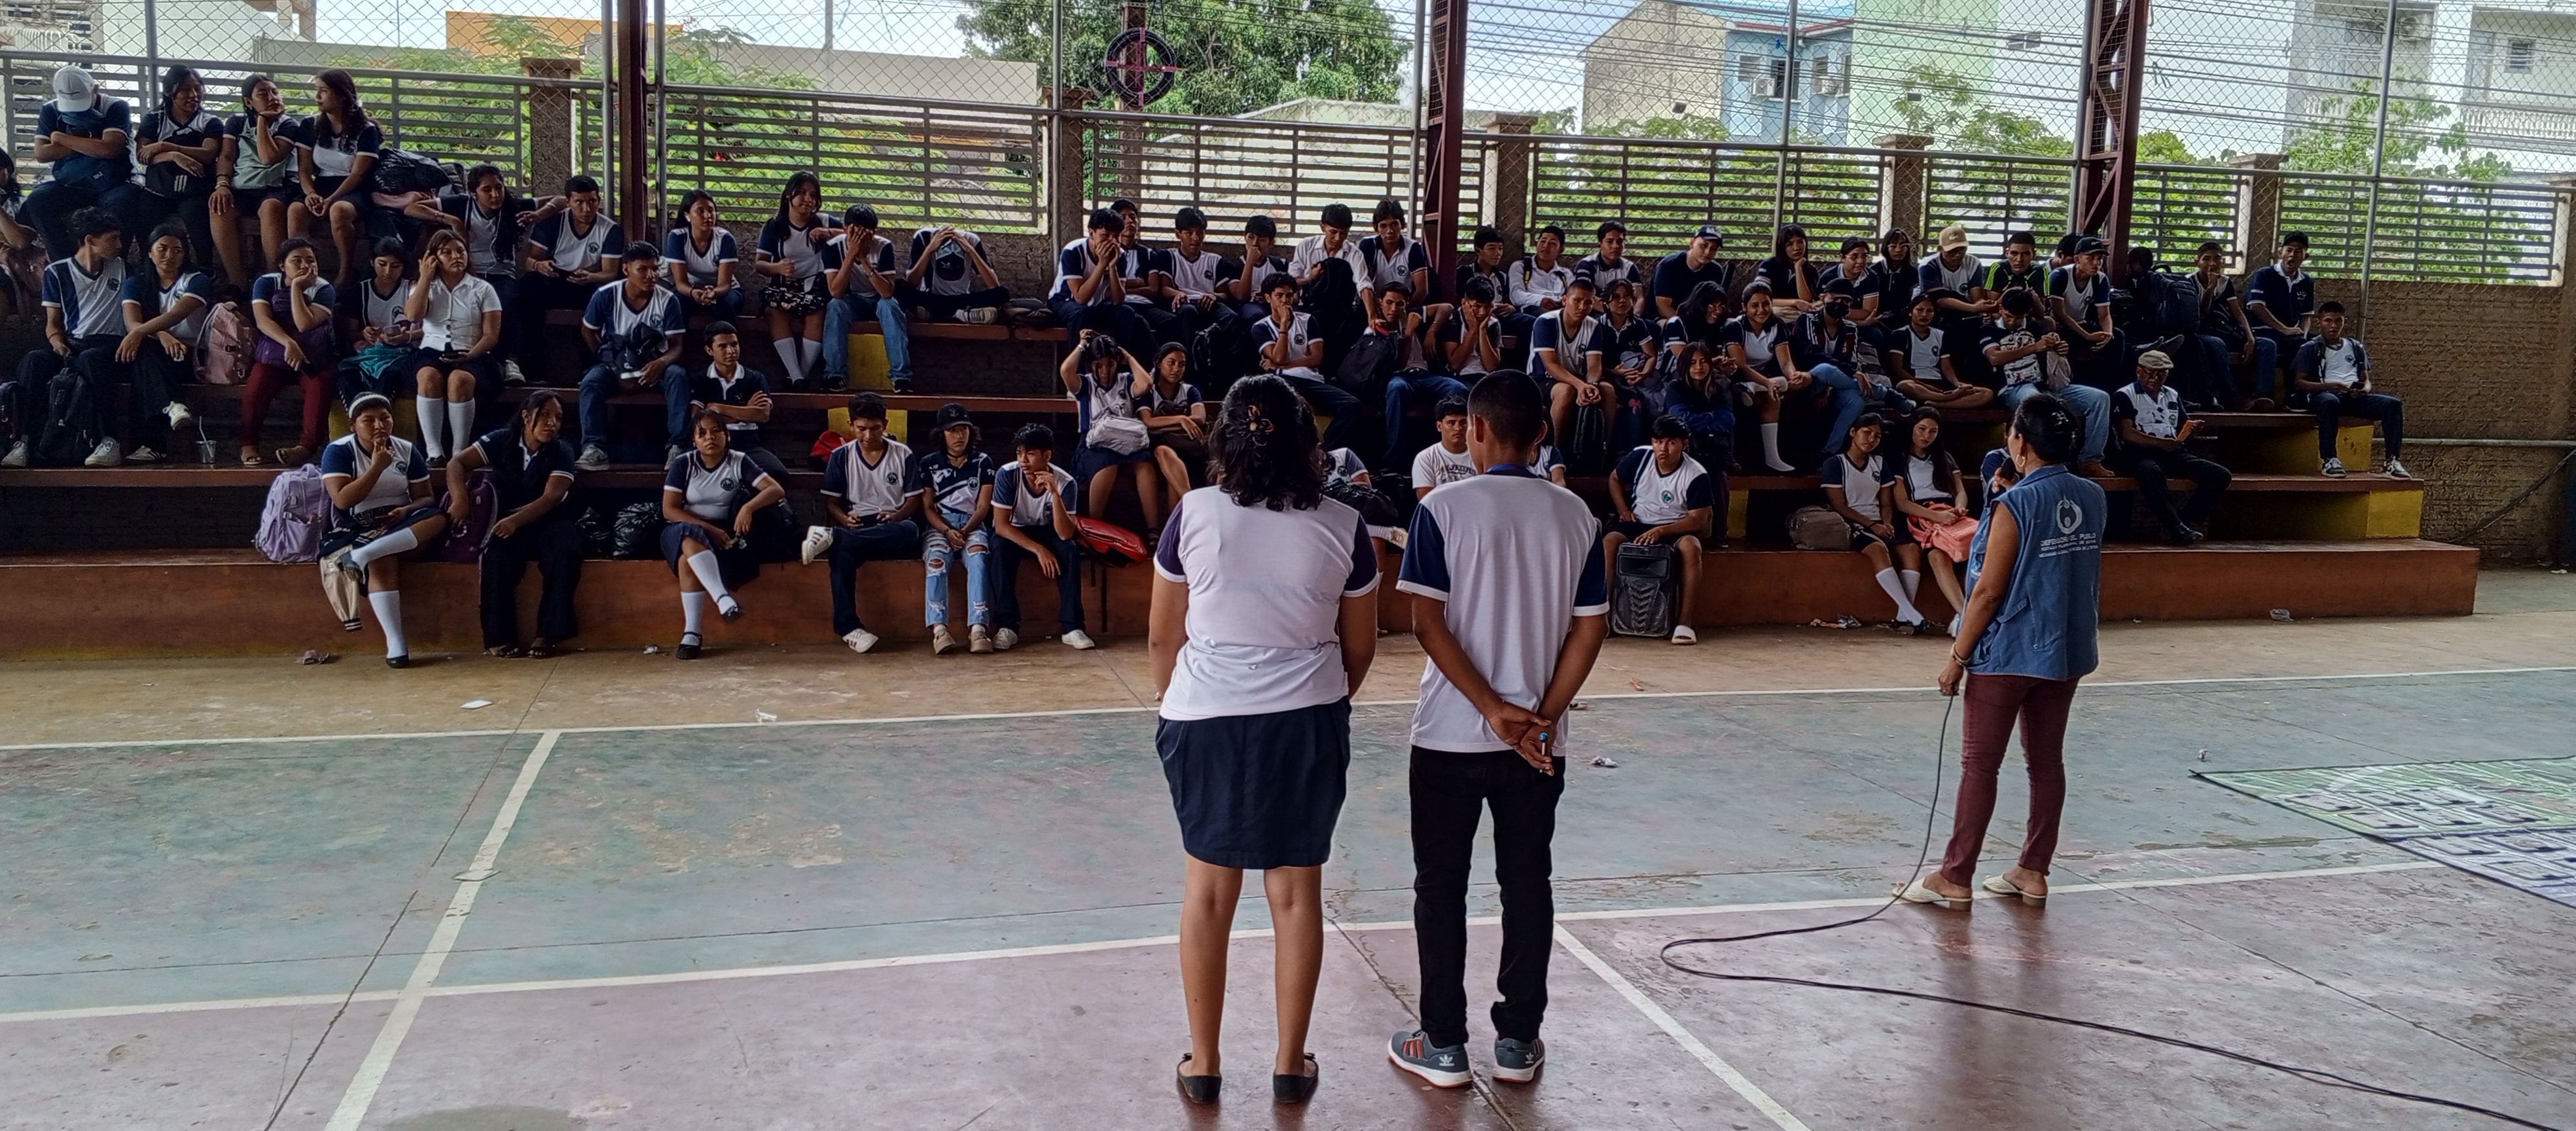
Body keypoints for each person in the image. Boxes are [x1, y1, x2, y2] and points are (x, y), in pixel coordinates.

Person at [1150, 373, 1380, 1107]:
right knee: (1295, 893)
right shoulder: (1345, 524)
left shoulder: (1192, 512)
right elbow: (1361, 648)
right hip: (1306, 718)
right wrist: (1319, 700)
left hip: (1203, 718)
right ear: (1307, 443)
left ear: (1225, 440)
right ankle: (1289, 1064)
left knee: (1208, 891)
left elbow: (1162, 637)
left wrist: (1178, 705)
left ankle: (1205, 1064)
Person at [1387, 371, 1609, 1090]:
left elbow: (1427, 623)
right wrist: (1540, 718)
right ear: (1542, 434)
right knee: (1527, 883)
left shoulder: (1442, 508)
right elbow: (1590, 629)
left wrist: (1490, 708)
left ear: (1476, 430)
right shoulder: (1576, 515)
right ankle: (1518, 1040)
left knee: (1440, 888)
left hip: (1448, 737)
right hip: (1537, 747)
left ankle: (1443, 1044)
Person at [1905, 392, 2105, 907]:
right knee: (2047, 762)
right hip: (2066, 649)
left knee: (1980, 765)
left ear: (2021, 443)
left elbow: (1989, 591)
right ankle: (2033, 870)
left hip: (2010, 650)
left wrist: (1957, 657)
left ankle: (1956, 876)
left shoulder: (2013, 505)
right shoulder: (2093, 495)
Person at [448, 389, 582, 658]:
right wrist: (460, 498)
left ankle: (548, 634)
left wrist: (514, 521)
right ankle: (499, 638)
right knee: (497, 558)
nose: (552, 423)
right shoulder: (502, 439)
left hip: (550, 519)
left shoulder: (562, 451)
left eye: (557, 417)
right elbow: (457, 463)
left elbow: (552, 498)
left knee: (566, 551)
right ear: (526, 416)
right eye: (544, 415)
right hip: (509, 519)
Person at [321, 393, 448, 667]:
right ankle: (396, 643)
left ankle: (361, 556)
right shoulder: (339, 451)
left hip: (401, 520)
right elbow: (342, 500)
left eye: (385, 418)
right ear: (353, 425)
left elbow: (426, 497)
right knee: (383, 560)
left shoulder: (406, 449)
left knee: (437, 519)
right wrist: (377, 467)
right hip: (359, 524)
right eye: (369, 420)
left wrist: (406, 510)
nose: (379, 425)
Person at [6, 208, 129, 469]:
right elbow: (53, 323)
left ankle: (109, 440)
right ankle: (23, 441)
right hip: (74, 342)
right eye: (113, 238)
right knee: (34, 360)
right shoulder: (58, 272)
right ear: (90, 240)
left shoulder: (121, 269)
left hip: (109, 345)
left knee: (91, 360)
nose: (119, 245)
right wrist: (57, 342)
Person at [800, 392, 921, 655]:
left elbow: (913, 500)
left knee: (910, 530)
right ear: (851, 425)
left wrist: (897, 515)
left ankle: (833, 536)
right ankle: (849, 628)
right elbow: (832, 503)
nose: (868, 436)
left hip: (892, 525)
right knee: (841, 556)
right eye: (862, 428)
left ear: (885, 424)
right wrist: (844, 519)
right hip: (858, 525)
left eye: (875, 428)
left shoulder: (902, 453)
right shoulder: (841, 456)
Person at [660, 410, 784, 659]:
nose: (710, 438)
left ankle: (692, 633)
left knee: (686, 561)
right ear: (694, 440)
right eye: (702, 433)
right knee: (689, 534)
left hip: (725, 532)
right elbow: (670, 510)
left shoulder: (739, 461)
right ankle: (722, 599)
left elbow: (775, 489)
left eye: (716, 431)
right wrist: (708, 529)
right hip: (683, 527)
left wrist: (748, 508)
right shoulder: (684, 463)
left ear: (727, 436)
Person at [575, 240, 686, 470]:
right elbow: (588, 331)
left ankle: (678, 447)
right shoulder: (606, 296)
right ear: (626, 270)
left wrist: (660, 363)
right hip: (616, 364)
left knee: (678, 376)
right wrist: (611, 364)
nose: (651, 275)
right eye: (643, 269)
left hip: (653, 367)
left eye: (655, 268)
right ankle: (594, 448)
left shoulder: (668, 300)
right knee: (591, 382)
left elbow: (676, 346)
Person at [1982, 288, 2115, 478]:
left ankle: (2090, 460)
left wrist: (2059, 348)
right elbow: (1994, 358)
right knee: (2037, 402)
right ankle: (2041, 461)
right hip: (2014, 387)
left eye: (2018, 318)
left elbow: (2051, 340)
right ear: (2001, 309)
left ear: (2026, 314)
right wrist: (2035, 347)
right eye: (2009, 316)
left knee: (2100, 398)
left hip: (2048, 384)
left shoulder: (2036, 327)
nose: (2012, 322)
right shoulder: (1989, 330)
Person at [1603, 416, 1713, 645]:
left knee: (1692, 548)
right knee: (1609, 543)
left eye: (1671, 442)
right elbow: (1614, 479)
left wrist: (1662, 530)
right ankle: (1605, 615)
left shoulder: (1696, 474)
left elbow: (1698, 521)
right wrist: (1623, 510)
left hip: (1675, 527)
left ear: (1684, 444)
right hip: (1638, 522)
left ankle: (1684, 623)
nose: (1663, 448)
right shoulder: (1640, 457)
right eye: (1658, 442)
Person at [111, 222, 214, 465]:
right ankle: (173, 405)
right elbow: (131, 322)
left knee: (143, 362)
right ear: (149, 252)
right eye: (163, 248)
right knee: (145, 354)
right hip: (156, 354)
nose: (170, 255)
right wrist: (163, 335)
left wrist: (142, 332)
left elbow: (178, 314)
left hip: (191, 356)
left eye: (177, 250)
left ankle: (153, 445)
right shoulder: (136, 283)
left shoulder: (197, 280)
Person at [990, 424, 1095, 651]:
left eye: (1030, 454)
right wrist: (1039, 550)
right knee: (999, 548)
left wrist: (1055, 494)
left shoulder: (1066, 482)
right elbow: (1001, 526)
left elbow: (1065, 533)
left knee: (1069, 548)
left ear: (1046, 456)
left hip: (1048, 530)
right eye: (1020, 453)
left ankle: (1073, 628)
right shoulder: (1007, 474)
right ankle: (1007, 626)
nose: (1023, 460)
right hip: (1015, 529)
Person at [2107, 350, 2230, 544]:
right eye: (2150, 372)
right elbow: (2127, 434)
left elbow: (2180, 427)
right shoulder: (2125, 395)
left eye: (2162, 373)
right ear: (2139, 371)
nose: (2155, 378)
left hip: (2171, 451)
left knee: (2220, 475)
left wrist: (2191, 430)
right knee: (2152, 472)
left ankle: (2185, 519)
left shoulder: (2172, 394)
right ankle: (2176, 528)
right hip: (2137, 452)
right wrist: (2163, 444)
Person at [404, 230, 506, 465]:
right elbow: (413, 315)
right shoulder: (425, 286)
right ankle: (434, 452)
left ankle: (460, 451)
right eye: (447, 252)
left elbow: (491, 335)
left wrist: (470, 355)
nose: (456, 256)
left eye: (460, 251)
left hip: (473, 352)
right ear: (434, 258)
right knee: (428, 377)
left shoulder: (483, 289)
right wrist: (425, 278)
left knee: (460, 380)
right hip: (432, 351)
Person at [1823, 412, 1931, 632]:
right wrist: (1872, 526)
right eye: (1867, 432)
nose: (1871, 439)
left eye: (1877, 436)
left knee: (1912, 549)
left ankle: (1903, 616)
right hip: (1852, 523)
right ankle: (1912, 614)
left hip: (1879, 521)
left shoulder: (1880, 463)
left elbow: (1886, 503)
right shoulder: (1835, 464)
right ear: (1853, 432)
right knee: (1877, 549)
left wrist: (1886, 523)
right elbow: (1841, 506)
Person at [22, 65, 141, 262]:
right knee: (38, 199)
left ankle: (114, 266)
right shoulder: (51, 110)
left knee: (122, 204)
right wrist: (90, 143)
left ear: (95, 89)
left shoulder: (114, 106)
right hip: (72, 183)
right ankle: (64, 264)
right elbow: (42, 153)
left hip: (114, 182)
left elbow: (109, 149)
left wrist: (61, 138)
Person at [1062, 328, 1172, 533]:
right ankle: (1094, 528)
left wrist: (1128, 357)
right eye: (1098, 365)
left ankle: (1153, 530)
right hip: (1094, 445)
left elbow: (1146, 384)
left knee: (1145, 466)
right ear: (1091, 364)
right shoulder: (1086, 383)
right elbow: (1066, 371)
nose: (1105, 371)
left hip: (1125, 441)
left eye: (1110, 364)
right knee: (1108, 464)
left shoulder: (1126, 380)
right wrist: (1082, 345)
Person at [241, 237, 336, 467]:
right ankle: (248, 443)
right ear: (282, 265)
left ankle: (305, 447)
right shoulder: (266, 283)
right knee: (258, 380)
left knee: (320, 382)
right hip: (277, 354)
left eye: (311, 261)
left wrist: (296, 287)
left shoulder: (324, 289)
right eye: (297, 260)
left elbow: (305, 324)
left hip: (312, 356)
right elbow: (263, 321)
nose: (305, 266)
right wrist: (288, 343)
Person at [913, 402, 999, 655]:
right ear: (942, 433)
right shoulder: (929, 463)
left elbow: (983, 506)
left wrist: (965, 530)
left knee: (979, 559)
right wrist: (947, 531)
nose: (959, 435)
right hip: (940, 526)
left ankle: (978, 629)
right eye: (952, 430)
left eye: (964, 429)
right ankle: (939, 630)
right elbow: (927, 507)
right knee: (936, 561)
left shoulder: (982, 462)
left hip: (973, 524)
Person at [518, 175, 624, 376]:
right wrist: (540, 266)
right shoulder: (553, 223)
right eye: (579, 202)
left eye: (592, 201)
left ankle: (599, 365)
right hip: (556, 280)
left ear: (599, 200)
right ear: (568, 202)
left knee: (606, 297)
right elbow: (530, 261)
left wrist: (591, 277)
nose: (586, 209)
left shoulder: (610, 229)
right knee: (529, 286)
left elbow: (610, 273)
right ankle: (530, 365)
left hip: (588, 283)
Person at [132, 66, 227, 286]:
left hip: (193, 189)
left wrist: (165, 146)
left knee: (196, 214)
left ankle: (205, 270)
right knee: (144, 212)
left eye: (197, 88)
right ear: (170, 92)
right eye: (185, 89)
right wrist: (175, 157)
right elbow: (143, 155)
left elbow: (208, 153)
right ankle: (148, 268)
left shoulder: (209, 122)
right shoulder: (155, 120)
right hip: (159, 187)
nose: (193, 95)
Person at [2292, 302, 2409, 479]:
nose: (2333, 326)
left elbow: (2365, 380)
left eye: (2338, 321)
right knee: (2329, 402)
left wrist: (2364, 390)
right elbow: (2300, 382)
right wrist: (2329, 386)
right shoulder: (2311, 348)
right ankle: (2330, 459)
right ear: (2319, 322)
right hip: (2324, 394)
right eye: (2328, 321)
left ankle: (2392, 461)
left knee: (2392, 404)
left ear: (2344, 322)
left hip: (2352, 396)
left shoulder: (2355, 347)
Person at [285, 70, 380, 289]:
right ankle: (299, 274)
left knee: (339, 211)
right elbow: (304, 168)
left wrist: (331, 199)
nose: (318, 97)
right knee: (296, 210)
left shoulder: (367, 130)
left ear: (343, 95)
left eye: (324, 91)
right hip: (320, 185)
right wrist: (310, 193)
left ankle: (345, 273)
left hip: (352, 188)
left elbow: (358, 174)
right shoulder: (310, 125)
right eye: (317, 91)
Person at [1248, 272, 1362, 451]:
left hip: (1310, 379)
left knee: (1352, 404)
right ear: (1268, 298)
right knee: (1278, 401)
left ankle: (1323, 450)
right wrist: (1284, 325)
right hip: (1283, 380)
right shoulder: (1260, 327)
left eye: (1289, 295)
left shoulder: (1308, 320)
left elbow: (1317, 358)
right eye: (1279, 296)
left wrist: (1282, 366)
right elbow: (1279, 356)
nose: (1285, 300)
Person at [1891, 406, 1977, 628]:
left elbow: (1960, 491)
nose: (1926, 436)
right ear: (1912, 427)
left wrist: (1959, 509)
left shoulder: (1945, 458)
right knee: (1938, 556)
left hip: (1950, 512)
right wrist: (1937, 516)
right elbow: (1902, 503)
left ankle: (1975, 613)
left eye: (1933, 431)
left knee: (1976, 545)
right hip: (1922, 515)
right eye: (1921, 429)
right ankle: (1966, 617)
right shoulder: (1900, 458)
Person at [1726, 283, 1824, 473]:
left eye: (1766, 304)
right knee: (1773, 396)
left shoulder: (1777, 325)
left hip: (1765, 380)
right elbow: (1741, 366)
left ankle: (1756, 390)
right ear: (1745, 307)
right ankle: (1771, 457)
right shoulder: (1735, 327)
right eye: (1755, 306)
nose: (1761, 310)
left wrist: (1793, 375)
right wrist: (1768, 383)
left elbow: (1785, 362)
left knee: (1806, 380)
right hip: (1739, 376)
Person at [755, 171, 837, 389]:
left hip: (816, 288)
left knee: (818, 313)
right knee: (773, 310)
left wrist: (828, 232)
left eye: (813, 195)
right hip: (784, 288)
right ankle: (796, 375)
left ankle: (801, 376)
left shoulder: (825, 221)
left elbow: (854, 234)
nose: (807, 199)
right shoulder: (774, 227)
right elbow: (760, 264)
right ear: (788, 195)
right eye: (801, 193)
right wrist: (777, 267)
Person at [214, 75, 296, 285]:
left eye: (275, 92)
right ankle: (238, 284)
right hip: (241, 188)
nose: (272, 97)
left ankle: (272, 282)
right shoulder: (236, 122)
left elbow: (269, 157)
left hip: (272, 188)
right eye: (263, 94)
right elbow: (227, 156)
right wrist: (222, 184)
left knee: (271, 208)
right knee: (219, 206)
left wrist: (262, 121)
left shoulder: (288, 125)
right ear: (249, 102)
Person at [1789, 278, 1884, 458]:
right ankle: (1884, 393)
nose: (1840, 304)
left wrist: (1830, 389)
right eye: (1835, 299)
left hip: (1834, 386)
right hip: (1806, 381)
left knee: (1857, 401)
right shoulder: (1806, 320)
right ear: (1823, 297)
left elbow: (1851, 362)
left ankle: (1829, 451)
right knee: (1829, 371)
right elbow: (1812, 356)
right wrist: (1851, 376)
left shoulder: (1851, 327)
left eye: (1846, 301)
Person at [817, 204, 906, 392]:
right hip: (852, 300)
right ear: (845, 229)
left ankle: (901, 376)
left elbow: (887, 292)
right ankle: (835, 374)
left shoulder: (883, 246)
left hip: (878, 300)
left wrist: (864, 259)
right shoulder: (832, 247)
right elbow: (836, 291)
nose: (861, 238)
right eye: (855, 232)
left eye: (866, 233)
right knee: (835, 306)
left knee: (890, 306)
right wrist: (851, 255)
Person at [1380, 282, 1469, 470]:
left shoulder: (1411, 314)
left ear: (1406, 304)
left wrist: (1432, 330)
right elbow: (1399, 365)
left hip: (1425, 375)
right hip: (1400, 377)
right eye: (1389, 302)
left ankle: (1451, 452)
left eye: (1400, 304)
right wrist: (1408, 334)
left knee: (1457, 388)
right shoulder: (1378, 326)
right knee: (1396, 389)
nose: (1394, 308)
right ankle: (1394, 459)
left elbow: (1447, 307)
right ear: (1381, 302)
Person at [685, 321, 785, 484]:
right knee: (691, 473)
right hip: (713, 443)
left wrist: (717, 408)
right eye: (723, 346)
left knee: (777, 472)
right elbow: (698, 421)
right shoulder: (700, 380)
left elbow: (762, 414)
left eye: (734, 345)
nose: (731, 351)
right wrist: (746, 411)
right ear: (709, 350)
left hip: (748, 443)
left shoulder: (754, 378)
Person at [1052, 207, 1153, 361]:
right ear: (1092, 233)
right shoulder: (1073, 251)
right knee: (1081, 313)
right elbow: (1081, 298)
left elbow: (1118, 300)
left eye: (1116, 236)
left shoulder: (1120, 255)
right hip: (1065, 302)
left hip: (1097, 305)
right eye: (1105, 235)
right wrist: (1101, 265)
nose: (1111, 241)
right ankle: (1078, 371)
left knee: (1127, 313)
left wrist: (1112, 267)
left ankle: (1120, 365)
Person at [1531, 276, 1613, 458]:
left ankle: (1605, 449)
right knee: (1566, 391)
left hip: (1577, 378)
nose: (1583, 307)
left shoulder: (1594, 326)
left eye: (1588, 302)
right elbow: (1551, 365)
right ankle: (1555, 451)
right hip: (1542, 379)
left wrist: (1591, 385)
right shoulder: (1546, 322)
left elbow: (1594, 365)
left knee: (1607, 390)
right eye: (1577, 301)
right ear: (1565, 300)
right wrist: (1580, 385)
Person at [2189, 241, 2271, 410]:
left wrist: (2250, 338)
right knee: (2217, 344)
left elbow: (2237, 313)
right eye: (2207, 259)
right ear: (2197, 262)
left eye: (2217, 259)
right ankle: (2231, 395)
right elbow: (2202, 313)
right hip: (2202, 332)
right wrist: (2210, 288)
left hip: (2224, 329)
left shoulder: (2225, 282)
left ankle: (2261, 395)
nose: (2212, 264)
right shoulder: (2189, 282)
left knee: (2267, 344)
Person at [1887, 291, 1990, 408]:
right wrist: (1925, 386)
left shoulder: (1940, 335)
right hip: (1917, 383)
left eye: (1930, 311)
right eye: (1920, 310)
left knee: (1987, 393)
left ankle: (1941, 404)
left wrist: (1957, 384)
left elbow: (1946, 366)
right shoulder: (1901, 334)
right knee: (1904, 386)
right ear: (1911, 312)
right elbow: (1898, 368)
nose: (1925, 315)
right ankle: (1945, 398)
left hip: (1939, 382)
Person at [2245, 232, 2315, 402]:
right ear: (2280, 252)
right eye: (2289, 250)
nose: (2293, 255)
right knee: (2269, 345)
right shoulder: (2264, 274)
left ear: (2306, 256)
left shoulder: (2306, 281)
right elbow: (2256, 306)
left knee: (2312, 344)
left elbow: (2306, 316)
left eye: (2298, 251)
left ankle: (2300, 396)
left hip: (2290, 334)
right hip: (2262, 331)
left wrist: (2302, 335)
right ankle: (2263, 395)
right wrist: (2284, 329)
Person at [2050, 234, 2124, 388]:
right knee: (2064, 337)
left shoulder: (2101, 279)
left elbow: (2104, 314)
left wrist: (2108, 334)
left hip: (2081, 324)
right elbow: (2060, 314)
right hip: (2061, 326)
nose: (2096, 263)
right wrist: (2087, 336)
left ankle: (2110, 387)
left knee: (2118, 337)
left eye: (2100, 259)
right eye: (2091, 258)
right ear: (2077, 259)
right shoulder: (2060, 276)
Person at [903, 223, 1011, 323]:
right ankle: (961, 315)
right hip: (933, 297)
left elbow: (994, 285)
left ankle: (938, 314)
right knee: (900, 288)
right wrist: (929, 250)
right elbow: (912, 282)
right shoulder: (923, 237)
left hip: (962, 299)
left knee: (1003, 293)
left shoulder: (971, 239)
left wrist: (971, 251)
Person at [1140, 342, 1208, 501]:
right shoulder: (1149, 392)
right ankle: (1192, 503)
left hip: (1188, 449)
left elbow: (1199, 418)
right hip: (1156, 451)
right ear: (1159, 363)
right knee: (1164, 452)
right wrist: (1181, 419)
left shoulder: (1190, 391)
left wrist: (1162, 427)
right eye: (1171, 363)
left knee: (1175, 468)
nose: (1176, 369)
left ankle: (1183, 511)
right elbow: (1148, 421)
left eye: (1182, 364)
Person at [662, 188, 742, 323]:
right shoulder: (677, 237)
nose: (707, 216)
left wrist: (713, 292)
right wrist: (693, 292)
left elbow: (724, 284)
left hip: (724, 292)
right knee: (677, 304)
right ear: (687, 215)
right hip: (690, 289)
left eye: (711, 211)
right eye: (700, 211)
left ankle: (728, 337)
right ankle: (678, 338)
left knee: (722, 305)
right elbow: (681, 283)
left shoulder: (725, 239)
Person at [1358, 198, 1431, 317]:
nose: (1390, 231)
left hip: (1403, 309)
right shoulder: (1369, 246)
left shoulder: (1413, 248)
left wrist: (1400, 312)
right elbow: (1365, 284)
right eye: (1383, 226)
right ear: (1376, 228)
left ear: (1402, 224)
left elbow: (1422, 291)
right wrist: (1377, 312)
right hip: (1374, 308)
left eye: (1394, 224)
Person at [1505, 224, 1573, 343]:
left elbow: (1573, 296)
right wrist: (1541, 300)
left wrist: (1562, 302)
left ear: (1561, 249)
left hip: (1560, 311)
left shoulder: (1565, 275)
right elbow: (1516, 295)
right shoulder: (1521, 267)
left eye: (1552, 243)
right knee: (1548, 320)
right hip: (1532, 310)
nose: (1546, 246)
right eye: (1543, 241)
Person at [1220, 213, 1289, 326]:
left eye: (1262, 240)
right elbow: (1242, 297)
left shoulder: (1279, 265)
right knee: (1256, 315)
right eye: (1251, 237)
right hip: (1248, 306)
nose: (1255, 244)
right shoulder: (1234, 265)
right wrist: (1250, 262)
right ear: (1245, 237)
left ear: (1271, 243)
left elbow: (1291, 293)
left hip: (1276, 305)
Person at [1649, 224, 1729, 319]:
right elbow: (1663, 307)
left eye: (1713, 249)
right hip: (1664, 318)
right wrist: (1685, 324)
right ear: (1692, 243)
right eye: (1704, 246)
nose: (1707, 252)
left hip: (1698, 319)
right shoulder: (1669, 265)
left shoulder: (1715, 270)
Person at [1410, 395, 1477, 499]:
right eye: (1452, 423)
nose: (1458, 428)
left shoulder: (1479, 455)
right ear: (1439, 426)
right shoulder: (1425, 458)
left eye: (1463, 422)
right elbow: (1426, 501)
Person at [1456, 226, 1520, 327]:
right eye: (1491, 248)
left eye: (1500, 248)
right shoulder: (1464, 273)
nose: (1498, 253)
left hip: (1499, 317)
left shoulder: (1502, 277)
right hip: (1475, 317)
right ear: (1478, 250)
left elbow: (1510, 301)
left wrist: (1511, 308)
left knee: (1528, 321)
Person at [1756, 224, 1820, 314]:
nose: (1797, 248)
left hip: (1799, 313)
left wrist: (1798, 269)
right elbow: (1759, 297)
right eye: (1790, 244)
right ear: (1782, 247)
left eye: (1800, 242)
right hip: (1776, 309)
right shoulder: (1769, 265)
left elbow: (1807, 300)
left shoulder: (1811, 270)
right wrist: (1794, 303)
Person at [1573, 220, 1640, 295]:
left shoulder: (1629, 267)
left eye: (1620, 242)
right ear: (1600, 244)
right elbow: (1584, 294)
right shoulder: (1587, 265)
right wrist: (1610, 303)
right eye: (1610, 242)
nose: (1616, 246)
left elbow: (1639, 297)